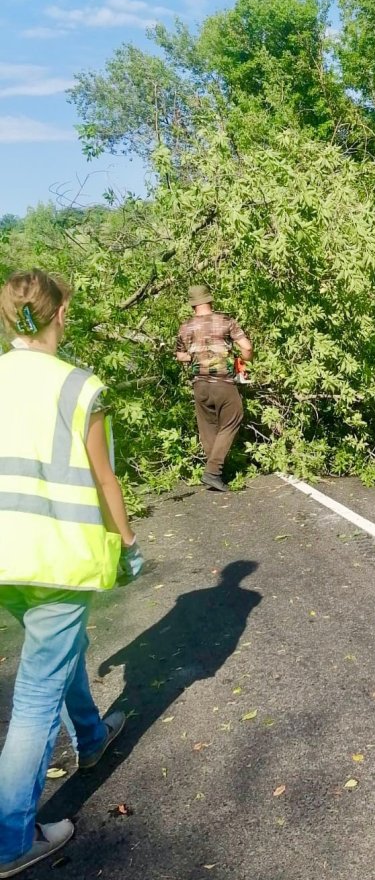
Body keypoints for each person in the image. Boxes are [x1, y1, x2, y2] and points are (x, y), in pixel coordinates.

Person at [0, 269, 141, 878]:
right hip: (57, 557)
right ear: (61, 316)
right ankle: (11, 841)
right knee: (35, 697)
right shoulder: (81, 388)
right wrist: (128, 543)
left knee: (56, 653)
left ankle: (89, 737)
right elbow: (104, 477)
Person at [175, 284, 253, 493]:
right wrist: (244, 359)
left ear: (192, 305)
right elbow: (246, 347)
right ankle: (213, 471)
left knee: (208, 428)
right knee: (233, 418)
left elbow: (180, 356)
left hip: (199, 385)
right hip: (222, 382)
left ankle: (217, 471)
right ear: (210, 300)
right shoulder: (225, 322)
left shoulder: (185, 328)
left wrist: (193, 356)